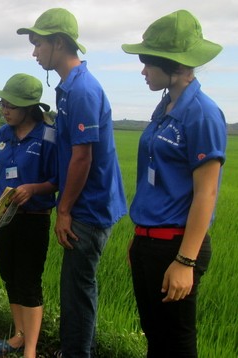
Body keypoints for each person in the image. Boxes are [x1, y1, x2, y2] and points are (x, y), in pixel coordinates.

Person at [17, 8, 127, 358]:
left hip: (89, 207)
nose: (34, 52)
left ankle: (77, 352)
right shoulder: (69, 88)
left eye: (38, 44)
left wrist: (63, 209)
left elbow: (83, 157)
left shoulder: (81, 90)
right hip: (85, 203)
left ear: (59, 43)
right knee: (74, 286)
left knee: (78, 289)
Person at [121, 10, 227, 357]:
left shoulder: (202, 113)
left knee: (177, 343)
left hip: (177, 246)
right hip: (149, 242)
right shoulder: (165, 106)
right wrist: (139, 240)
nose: (143, 70)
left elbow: (206, 193)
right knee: (155, 335)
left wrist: (185, 261)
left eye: (148, 63)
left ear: (175, 66)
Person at [0, 74, 58, 358]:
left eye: (11, 105)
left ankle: (30, 350)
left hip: (33, 217)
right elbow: (0, 172)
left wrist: (33, 188)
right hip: (2, 217)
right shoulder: (1, 135)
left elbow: (57, 180)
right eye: (3, 104)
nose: (4, 110)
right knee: (10, 278)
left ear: (28, 107)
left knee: (29, 281)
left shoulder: (48, 137)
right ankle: (18, 335)